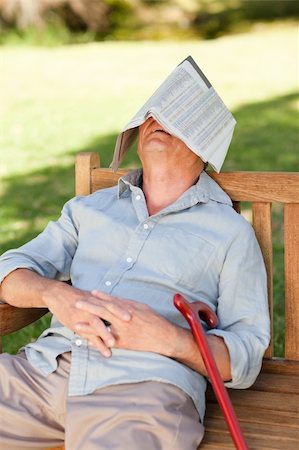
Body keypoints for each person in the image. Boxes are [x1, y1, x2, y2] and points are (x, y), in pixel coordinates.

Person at [0, 70, 270, 449]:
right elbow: (9, 270)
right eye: (152, 114)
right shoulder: (87, 210)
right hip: (41, 372)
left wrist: (171, 340)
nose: (157, 120)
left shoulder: (230, 233)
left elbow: (245, 354)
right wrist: (54, 295)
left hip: (143, 390)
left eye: (176, 116)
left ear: (204, 144)